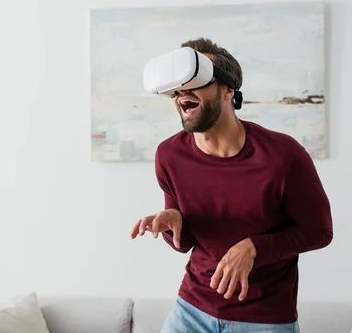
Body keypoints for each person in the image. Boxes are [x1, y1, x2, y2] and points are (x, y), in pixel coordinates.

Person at [130, 38, 333, 333]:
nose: (181, 94)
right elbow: (184, 243)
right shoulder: (169, 155)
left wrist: (253, 248)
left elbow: (319, 231)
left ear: (228, 89)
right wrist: (174, 221)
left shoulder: (283, 155)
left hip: (265, 318)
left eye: (195, 81)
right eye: (177, 88)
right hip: (191, 309)